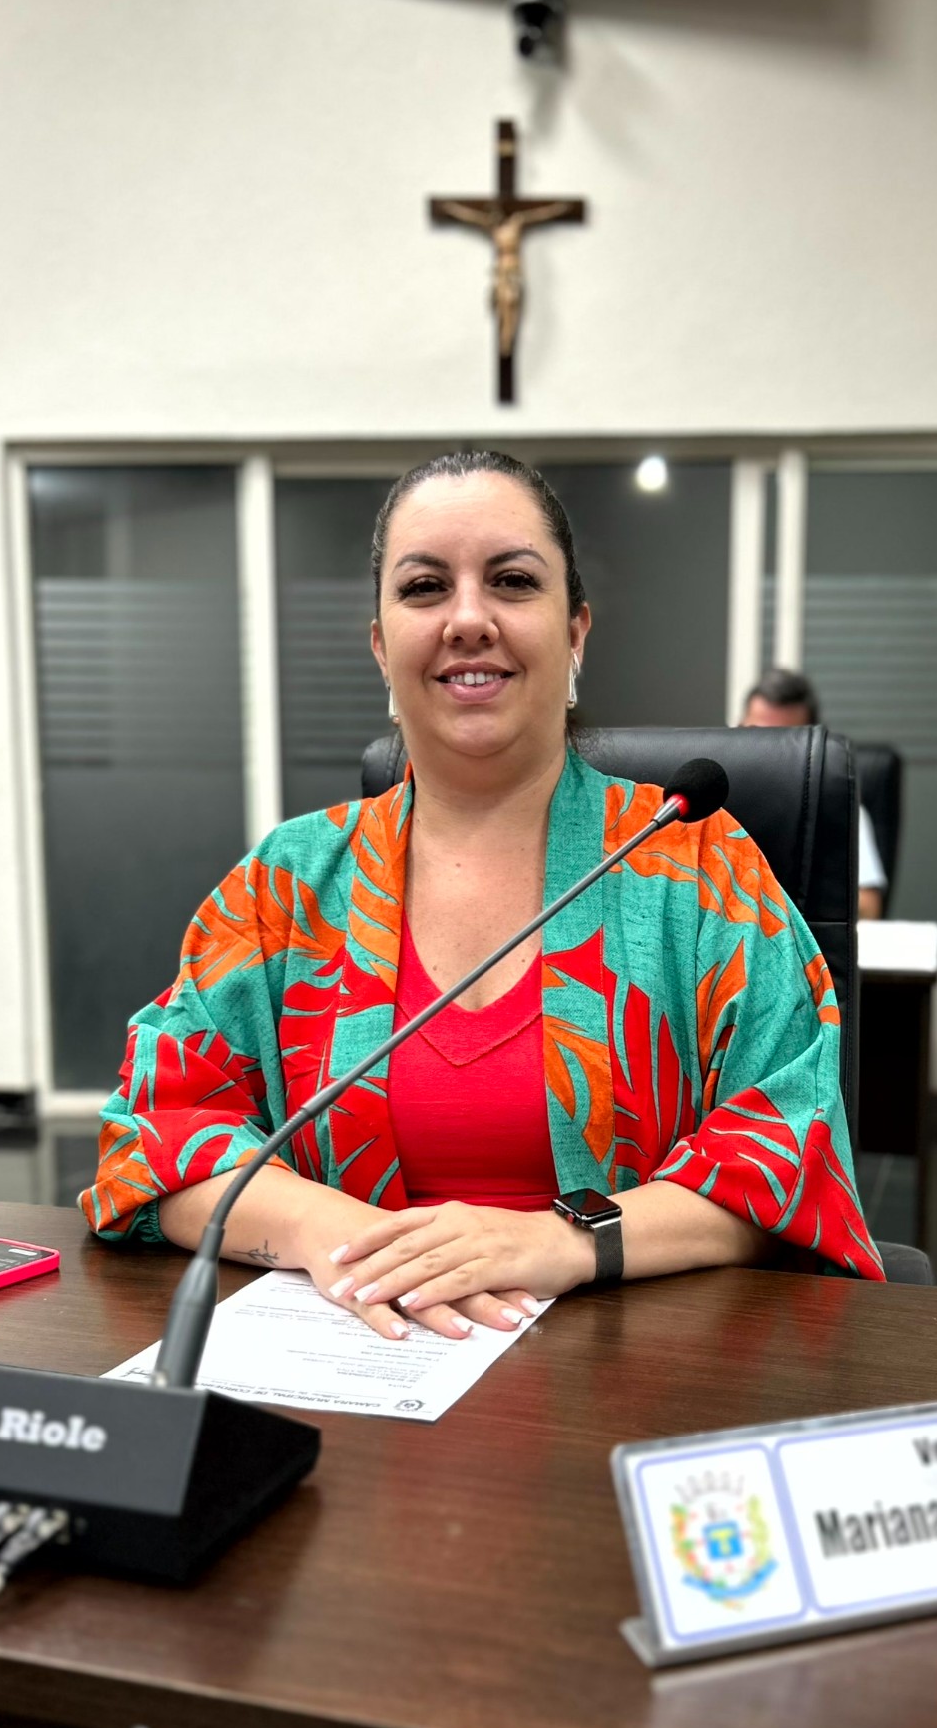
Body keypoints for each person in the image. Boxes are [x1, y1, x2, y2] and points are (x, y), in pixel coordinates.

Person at [83, 451, 883, 1339]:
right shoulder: (285, 884)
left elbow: (789, 1158)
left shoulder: (697, 864)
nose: (468, 619)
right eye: (425, 588)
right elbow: (153, 1140)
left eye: (512, 581)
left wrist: (563, 1240)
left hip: (631, 1365)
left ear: (575, 632)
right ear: (381, 645)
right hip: (356, 1361)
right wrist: (330, 1232)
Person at [740, 667, 888, 920]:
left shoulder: (838, 808)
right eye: (757, 734)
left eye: (782, 740)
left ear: (812, 746)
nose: (766, 751)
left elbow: (868, 906)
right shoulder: (708, 804)